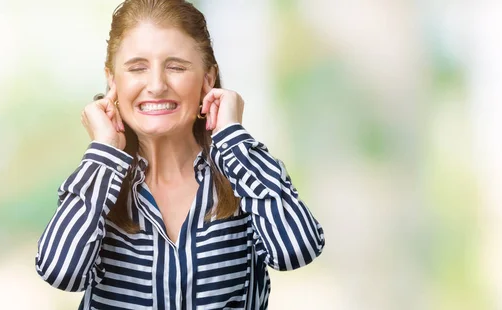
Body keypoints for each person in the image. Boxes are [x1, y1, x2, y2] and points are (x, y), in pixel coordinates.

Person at [34, 0, 325, 309]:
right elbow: (59, 272)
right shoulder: (100, 184)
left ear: (208, 79)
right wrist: (105, 150)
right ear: (112, 80)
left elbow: (297, 249)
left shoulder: (243, 175)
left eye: (175, 66)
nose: (157, 86)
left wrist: (232, 138)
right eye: (137, 68)